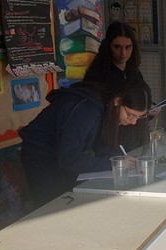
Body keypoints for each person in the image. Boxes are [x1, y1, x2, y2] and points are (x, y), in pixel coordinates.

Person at [20, 81, 149, 208]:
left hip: (60, 153)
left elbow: (101, 145)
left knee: (69, 201)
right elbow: (69, 159)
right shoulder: (86, 110)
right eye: (130, 115)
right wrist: (112, 163)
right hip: (40, 153)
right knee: (52, 206)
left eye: (138, 117)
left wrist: (119, 159)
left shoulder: (105, 108)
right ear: (117, 101)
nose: (133, 122)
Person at [83, 21, 155, 150]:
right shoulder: (98, 74)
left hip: (134, 140)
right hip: (109, 140)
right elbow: (93, 112)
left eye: (128, 47)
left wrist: (146, 111)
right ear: (108, 46)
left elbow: (135, 103)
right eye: (117, 47)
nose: (123, 53)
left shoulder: (134, 71)